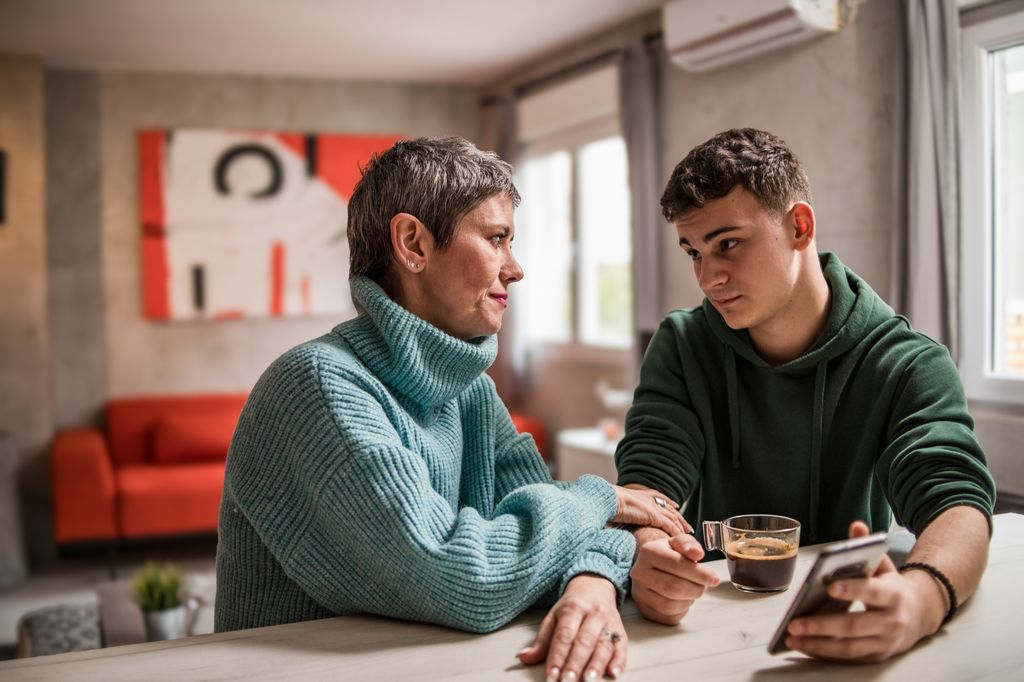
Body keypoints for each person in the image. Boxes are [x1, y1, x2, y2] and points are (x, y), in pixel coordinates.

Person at [215, 137, 687, 682]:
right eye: (497, 239)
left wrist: (590, 583)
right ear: (413, 243)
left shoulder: (472, 391)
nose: (516, 269)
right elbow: (464, 578)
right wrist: (600, 497)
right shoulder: (318, 385)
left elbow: (560, 528)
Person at [615, 128, 996, 663]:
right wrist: (647, 548)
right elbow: (649, 481)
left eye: (728, 244)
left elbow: (956, 503)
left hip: (848, 624)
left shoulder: (910, 361)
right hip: (705, 632)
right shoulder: (681, 344)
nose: (707, 276)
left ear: (799, 225)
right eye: (693, 251)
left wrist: (923, 597)